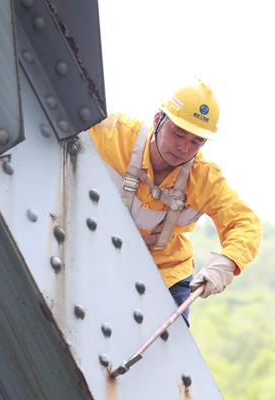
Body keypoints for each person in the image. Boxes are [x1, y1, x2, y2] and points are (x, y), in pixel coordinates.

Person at [88, 77, 261, 326]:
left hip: (165, 272)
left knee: (171, 344)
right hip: (98, 247)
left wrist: (226, 263)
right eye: (179, 134)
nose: (183, 148)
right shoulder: (112, 134)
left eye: (196, 142)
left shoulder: (205, 179)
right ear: (158, 120)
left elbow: (244, 223)